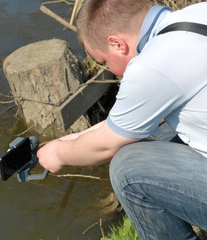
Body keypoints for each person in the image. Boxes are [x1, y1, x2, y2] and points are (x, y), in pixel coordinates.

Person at [37, 0, 207, 239]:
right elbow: (121, 128)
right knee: (161, 135)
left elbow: (106, 145)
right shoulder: (197, 14)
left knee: (128, 169)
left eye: (104, 61)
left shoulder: (151, 67)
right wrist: (72, 138)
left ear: (117, 43)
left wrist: (56, 154)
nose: (113, 72)